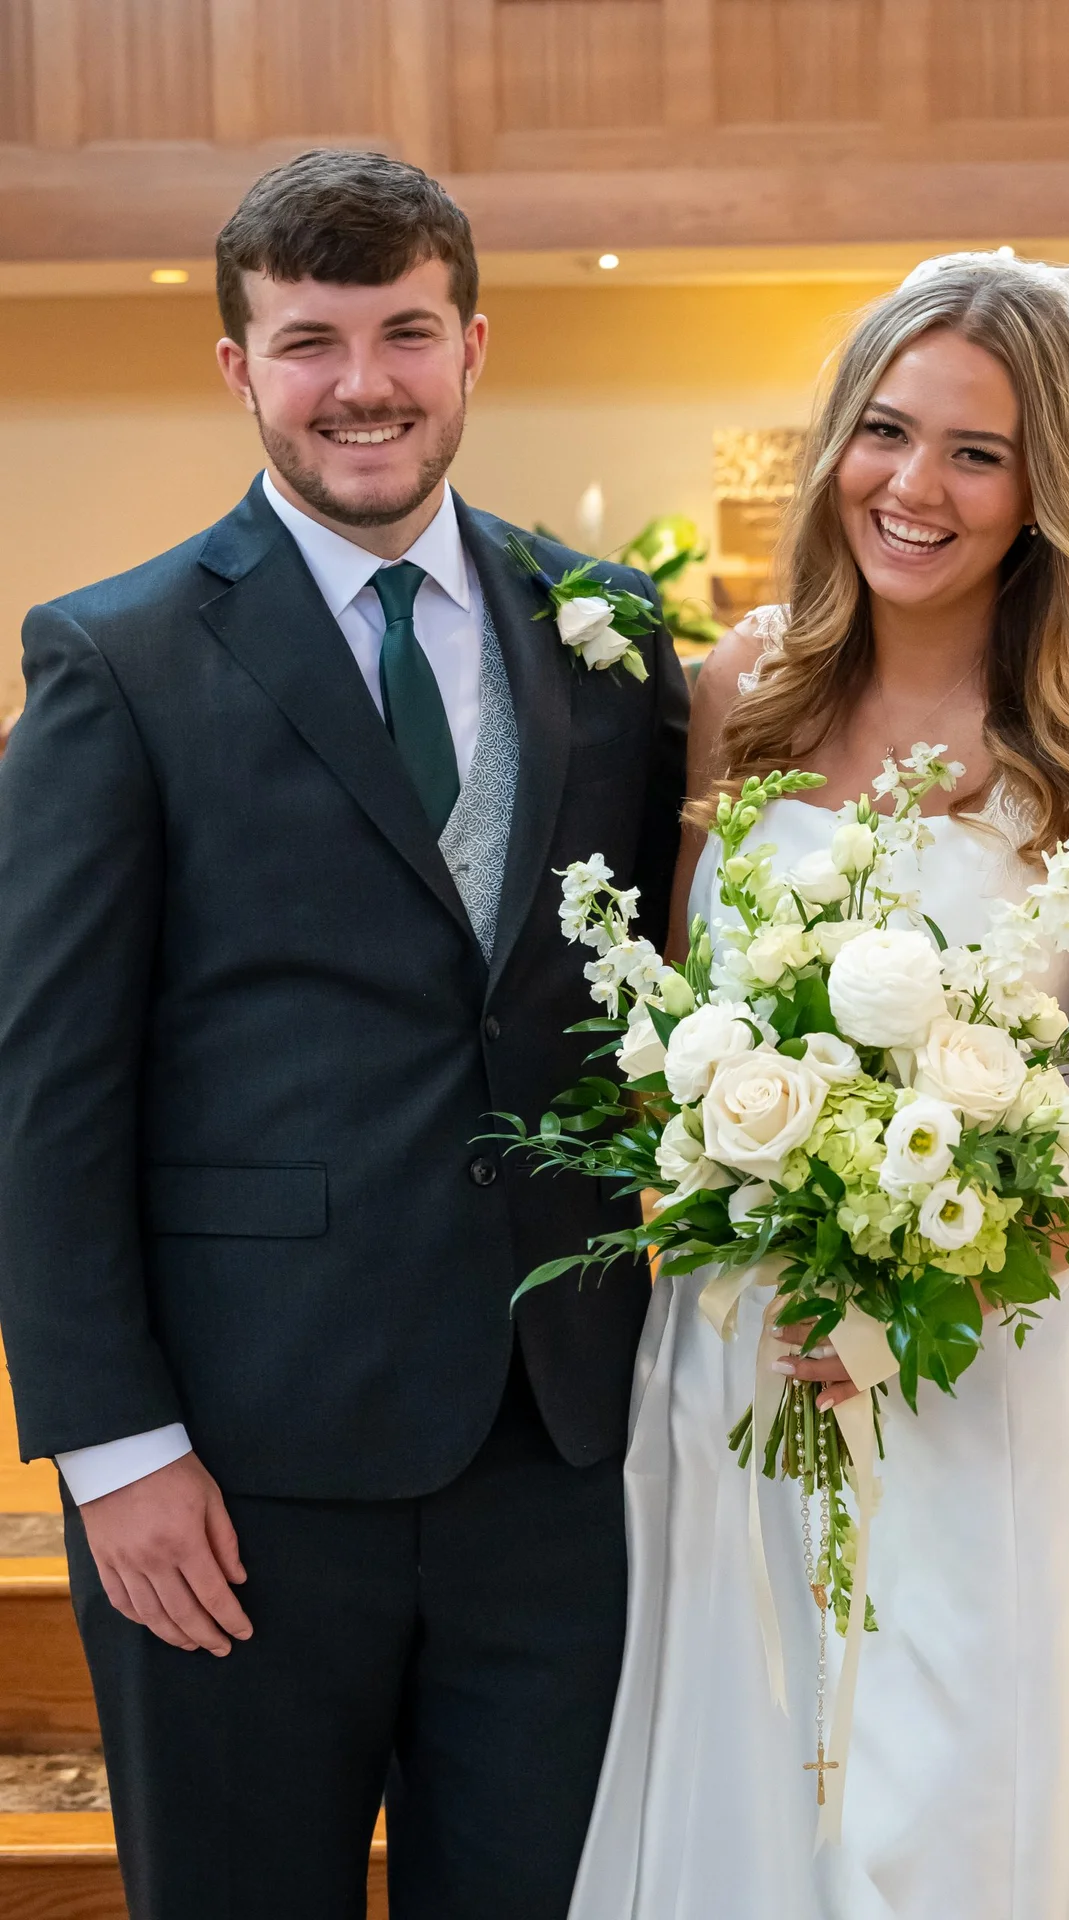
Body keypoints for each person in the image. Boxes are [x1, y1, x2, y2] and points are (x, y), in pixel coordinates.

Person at [0, 149, 687, 1920]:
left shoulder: (609, 638)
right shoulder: (117, 660)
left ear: (475, 348)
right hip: (239, 1470)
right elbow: (44, 1091)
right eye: (310, 341)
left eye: (405, 331)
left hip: (556, 1460)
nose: (363, 384)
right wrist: (116, 1452)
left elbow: (665, 1012)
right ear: (238, 366)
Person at [569, 255, 1069, 1918]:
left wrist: (924, 1294)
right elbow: (683, 1039)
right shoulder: (742, 693)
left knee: (966, 1805)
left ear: (1047, 492)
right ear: (837, 450)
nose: (915, 484)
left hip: (1001, 1371)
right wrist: (729, 1207)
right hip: (746, 1366)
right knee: (763, 1792)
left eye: (979, 451)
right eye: (886, 431)